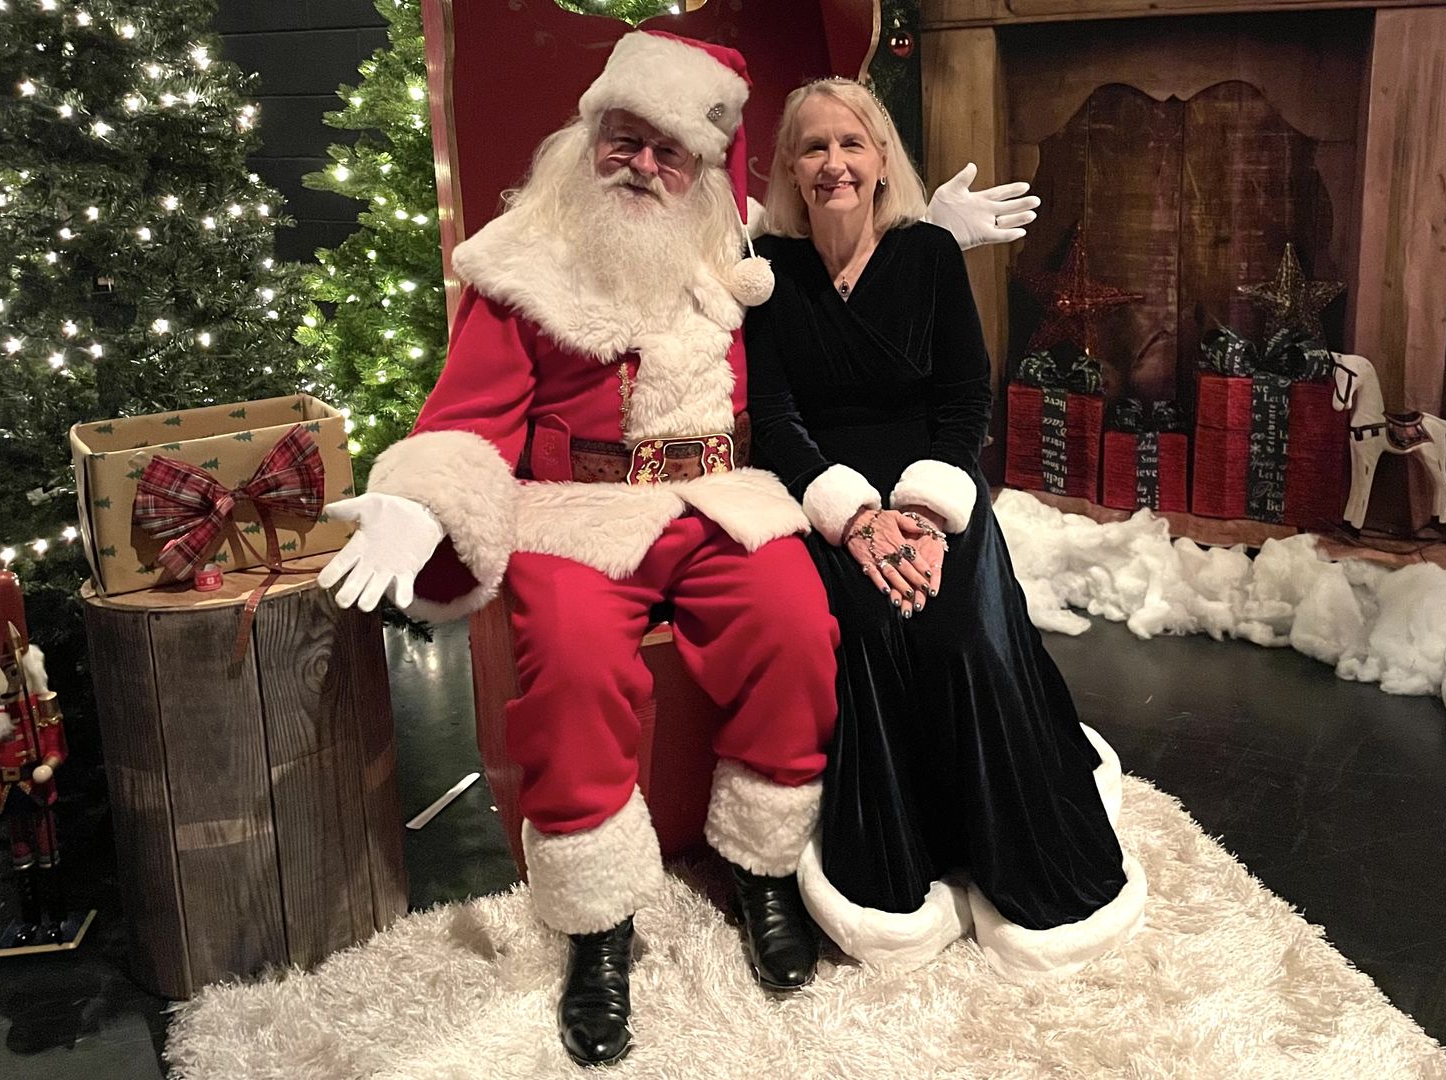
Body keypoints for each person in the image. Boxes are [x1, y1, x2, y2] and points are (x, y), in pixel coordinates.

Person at [316, 33, 1034, 1066]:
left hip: (722, 497)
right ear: (588, 136)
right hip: (577, 511)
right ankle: (597, 924)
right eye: (627, 142)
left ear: (702, 170)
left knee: (798, 624)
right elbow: (467, 420)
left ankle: (764, 866)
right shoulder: (520, 261)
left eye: (671, 152)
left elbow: (841, 285)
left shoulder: (728, 252)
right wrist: (422, 501)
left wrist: (918, 236)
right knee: (569, 669)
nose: (646, 166)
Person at [745, 78, 1146, 980]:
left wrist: (925, 513)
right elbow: (773, 418)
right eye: (813, 147)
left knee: (962, 635)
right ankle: (910, 860)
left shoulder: (927, 253)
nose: (834, 163)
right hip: (832, 500)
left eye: (852, 143)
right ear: (790, 168)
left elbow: (967, 397)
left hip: (939, 486)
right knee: (874, 630)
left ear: (882, 159)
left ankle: (1014, 856)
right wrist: (853, 520)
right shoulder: (771, 275)